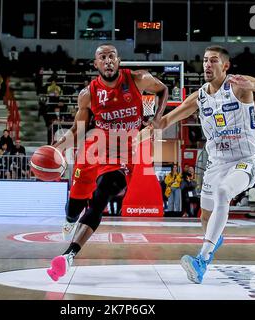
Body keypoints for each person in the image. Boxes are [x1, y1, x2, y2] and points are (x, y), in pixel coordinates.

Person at [149, 45, 255, 283]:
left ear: (225, 65)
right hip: (216, 163)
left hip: (244, 160)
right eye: (205, 61)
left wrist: (254, 85)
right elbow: (169, 118)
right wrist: (150, 126)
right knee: (205, 219)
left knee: (224, 192)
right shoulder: (199, 96)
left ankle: (201, 260)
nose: (208, 65)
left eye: (213, 61)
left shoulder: (238, 85)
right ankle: (213, 239)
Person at [46, 44, 168, 282]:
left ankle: (69, 255)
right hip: (95, 148)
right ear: (96, 64)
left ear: (118, 60)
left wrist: (156, 118)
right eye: (103, 57)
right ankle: (70, 221)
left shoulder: (139, 79)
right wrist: (56, 148)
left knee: (102, 195)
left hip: (124, 152)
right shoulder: (88, 94)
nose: (108, 61)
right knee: (73, 210)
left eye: (112, 56)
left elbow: (163, 90)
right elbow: (77, 130)